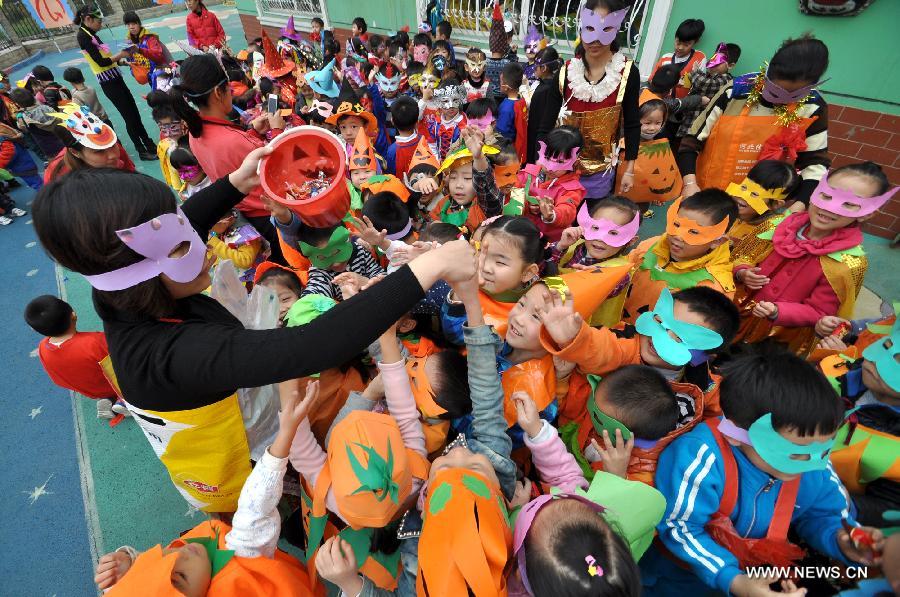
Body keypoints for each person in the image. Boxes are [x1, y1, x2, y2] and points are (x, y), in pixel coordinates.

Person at [32, 146, 478, 513]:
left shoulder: (120, 286)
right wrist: (430, 265)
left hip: (234, 414)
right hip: (226, 469)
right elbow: (310, 346)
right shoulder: (175, 353)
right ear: (146, 269)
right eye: (187, 243)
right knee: (257, 508)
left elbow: (169, 232)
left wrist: (234, 185)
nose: (205, 245)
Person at [640, 351, 884, 596]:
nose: (812, 462)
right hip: (676, 577)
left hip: (753, 576)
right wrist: (732, 580)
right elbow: (679, 526)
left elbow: (825, 514)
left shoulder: (812, 464)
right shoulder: (700, 456)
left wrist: (842, 539)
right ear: (735, 434)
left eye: (824, 447)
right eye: (796, 451)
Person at [93, 379, 321, 595]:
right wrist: (287, 433)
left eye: (162, 555)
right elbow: (254, 506)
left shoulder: (187, 569)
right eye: (181, 576)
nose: (182, 553)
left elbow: (141, 584)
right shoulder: (239, 560)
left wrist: (129, 561)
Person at [732, 162, 886, 356]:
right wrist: (743, 271)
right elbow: (741, 255)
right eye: (827, 195)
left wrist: (777, 311)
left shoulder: (848, 264)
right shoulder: (776, 225)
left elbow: (822, 313)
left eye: (849, 204)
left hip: (775, 340)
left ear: (868, 213)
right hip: (732, 312)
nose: (831, 208)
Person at [679, 35, 831, 205]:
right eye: (774, 91)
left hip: (759, 207)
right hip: (708, 196)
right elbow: (692, 140)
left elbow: (815, 165)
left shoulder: (813, 108)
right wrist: (690, 184)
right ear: (767, 74)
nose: (779, 100)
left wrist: (799, 205)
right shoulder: (736, 91)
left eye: (792, 95)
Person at [169, 53, 287, 265]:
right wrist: (277, 131)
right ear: (218, 92)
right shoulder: (231, 140)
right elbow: (278, 168)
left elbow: (236, 159)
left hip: (247, 214)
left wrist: (253, 133)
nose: (232, 93)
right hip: (269, 215)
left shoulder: (197, 132)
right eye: (229, 88)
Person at [559, 0, 640, 197]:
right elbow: (546, 122)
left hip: (599, 175)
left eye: (606, 29)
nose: (596, 39)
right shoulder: (567, 71)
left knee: (593, 224)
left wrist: (629, 169)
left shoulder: (627, 72)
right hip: (561, 169)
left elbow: (631, 124)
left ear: (616, 30)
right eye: (589, 28)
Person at [624, 190, 738, 323]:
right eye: (676, 224)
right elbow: (625, 266)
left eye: (694, 232)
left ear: (717, 241)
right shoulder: (653, 244)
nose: (678, 236)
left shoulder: (714, 289)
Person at [74, 6, 158, 161]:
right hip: (109, 83)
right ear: (88, 19)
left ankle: (149, 144)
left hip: (115, 78)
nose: (101, 24)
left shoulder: (92, 34)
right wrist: (122, 54)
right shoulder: (83, 37)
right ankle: (142, 150)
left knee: (134, 112)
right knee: (129, 116)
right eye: (99, 21)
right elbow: (101, 61)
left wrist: (122, 61)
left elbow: (106, 57)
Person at [546, 196, 641, 326]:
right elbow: (544, 263)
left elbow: (592, 293)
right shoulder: (574, 246)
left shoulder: (620, 271)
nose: (601, 238)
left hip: (583, 329)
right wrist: (560, 246)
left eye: (613, 233)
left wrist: (597, 279)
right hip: (550, 312)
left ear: (630, 241)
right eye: (596, 228)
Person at [24, 295, 122, 420]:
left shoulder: (43, 347)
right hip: (115, 384)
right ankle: (125, 401)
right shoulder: (94, 342)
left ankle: (111, 399)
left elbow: (58, 380)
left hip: (92, 391)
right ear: (73, 315)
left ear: (34, 330)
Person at [515, 126, 585, 243]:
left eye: (560, 162)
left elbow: (567, 210)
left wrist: (551, 214)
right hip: (520, 235)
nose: (550, 168)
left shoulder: (571, 188)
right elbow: (514, 195)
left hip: (551, 242)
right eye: (547, 158)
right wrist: (527, 205)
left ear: (575, 161)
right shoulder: (527, 173)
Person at [43, 104, 136, 183]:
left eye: (113, 145)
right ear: (75, 152)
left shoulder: (110, 145)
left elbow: (133, 176)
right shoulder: (57, 175)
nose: (113, 155)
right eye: (99, 151)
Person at [675, 42, 741, 139]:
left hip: (698, 127)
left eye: (718, 61)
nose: (713, 63)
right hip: (687, 120)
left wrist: (695, 71)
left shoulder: (725, 80)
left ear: (730, 66)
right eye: (713, 58)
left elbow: (703, 83)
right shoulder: (706, 75)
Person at [726, 159, 798, 247]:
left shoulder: (768, 231)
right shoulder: (727, 210)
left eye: (754, 194)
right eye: (744, 187)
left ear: (775, 204)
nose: (743, 196)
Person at [649, 18, 707, 100]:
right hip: (662, 104)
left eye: (686, 45)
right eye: (678, 42)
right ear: (675, 38)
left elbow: (701, 86)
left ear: (696, 42)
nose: (680, 47)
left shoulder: (700, 58)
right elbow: (651, 81)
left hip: (685, 107)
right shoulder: (665, 58)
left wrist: (694, 75)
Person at [525, 46, 563, 164]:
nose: (534, 69)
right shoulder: (556, 86)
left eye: (536, 66)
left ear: (544, 68)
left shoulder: (544, 91)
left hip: (539, 140)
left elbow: (538, 124)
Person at [122, 11, 174, 91]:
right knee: (158, 96)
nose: (131, 27)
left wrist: (140, 50)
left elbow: (158, 55)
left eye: (134, 24)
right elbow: (131, 60)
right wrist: (133, 69)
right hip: (150, 76)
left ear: (139, 23)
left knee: (170, 92)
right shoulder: (128, 42)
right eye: (128, 25)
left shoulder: (150, 38)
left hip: (163, 70)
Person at [495, 62, 527, 162]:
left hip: (507, 150)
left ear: (506, 86)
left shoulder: (507, 108)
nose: (499, 84)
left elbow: (502, 132)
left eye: (500, 82)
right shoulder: (521, 101)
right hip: (519, 146)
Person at [385, 96, 422, 178]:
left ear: (392, 121)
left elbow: (391, 177)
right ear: (417, 122)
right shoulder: (423, 141)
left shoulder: (392, 151)